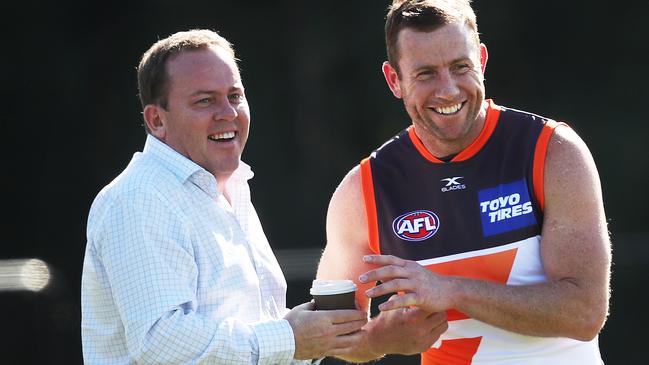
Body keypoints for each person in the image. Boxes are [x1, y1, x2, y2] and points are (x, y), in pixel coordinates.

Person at [316, 0, 611, 364]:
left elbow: (584, 314)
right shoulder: (363, 189)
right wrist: (381, 338)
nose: (449, 90)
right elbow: (331, 334)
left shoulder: (553, 150)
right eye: (426, 74)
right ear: (395, 80)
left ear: (482, 61)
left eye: (460, 67)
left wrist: (451, 291)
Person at [81, 29, 368, 364]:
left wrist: (312, 335)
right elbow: (160, 341)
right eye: (205, 100)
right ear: (156, 120)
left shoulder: (230, 187)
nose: (228, 113)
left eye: (234, 96)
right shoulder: (138, 198)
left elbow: (255, 335)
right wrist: (289, 338)